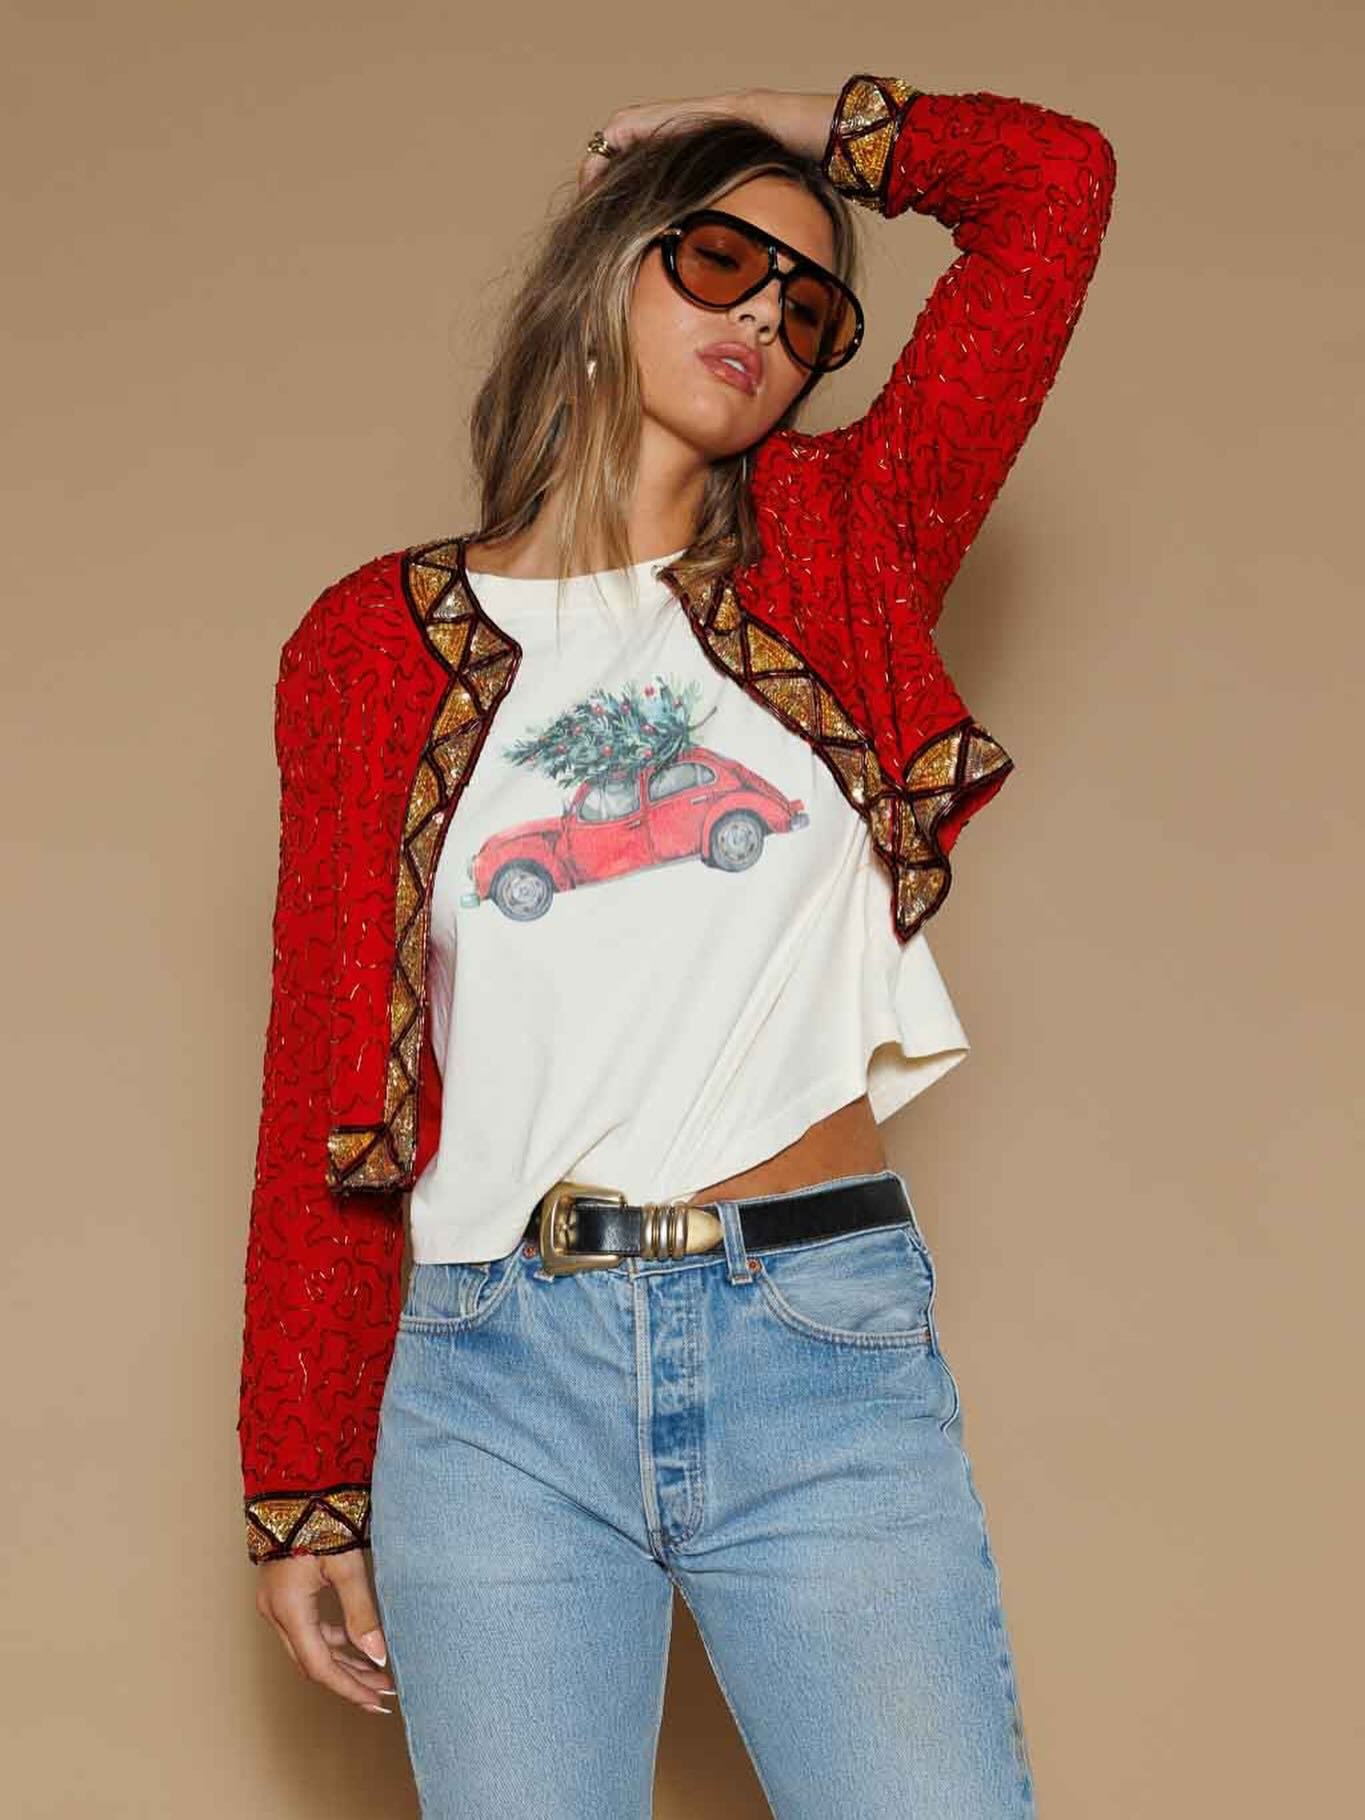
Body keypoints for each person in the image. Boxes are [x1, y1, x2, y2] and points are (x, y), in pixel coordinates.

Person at [239, 74, 1117, 1817]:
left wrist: (795, 124)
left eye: (810, 309)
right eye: (718, 260)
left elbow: (1054, 189)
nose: (765, 320)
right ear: (607, 269)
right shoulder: (366, 648)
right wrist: (302, 1479)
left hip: (814, 1343)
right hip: (490, 1383)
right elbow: (325, 1072)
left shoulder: (845, 545)